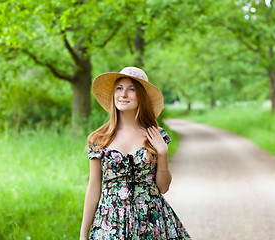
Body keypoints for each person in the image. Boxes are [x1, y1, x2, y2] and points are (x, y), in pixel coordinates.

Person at [79, 67, 191, 240]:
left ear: (141, 97)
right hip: (110, 224)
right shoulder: (98, 139)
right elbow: (94, 188)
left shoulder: (156, 135)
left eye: (131, 89)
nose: (123, 94)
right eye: (119, 88)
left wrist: (162, 152)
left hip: (151, 222)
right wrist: (83, 235)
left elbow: (163, 187)